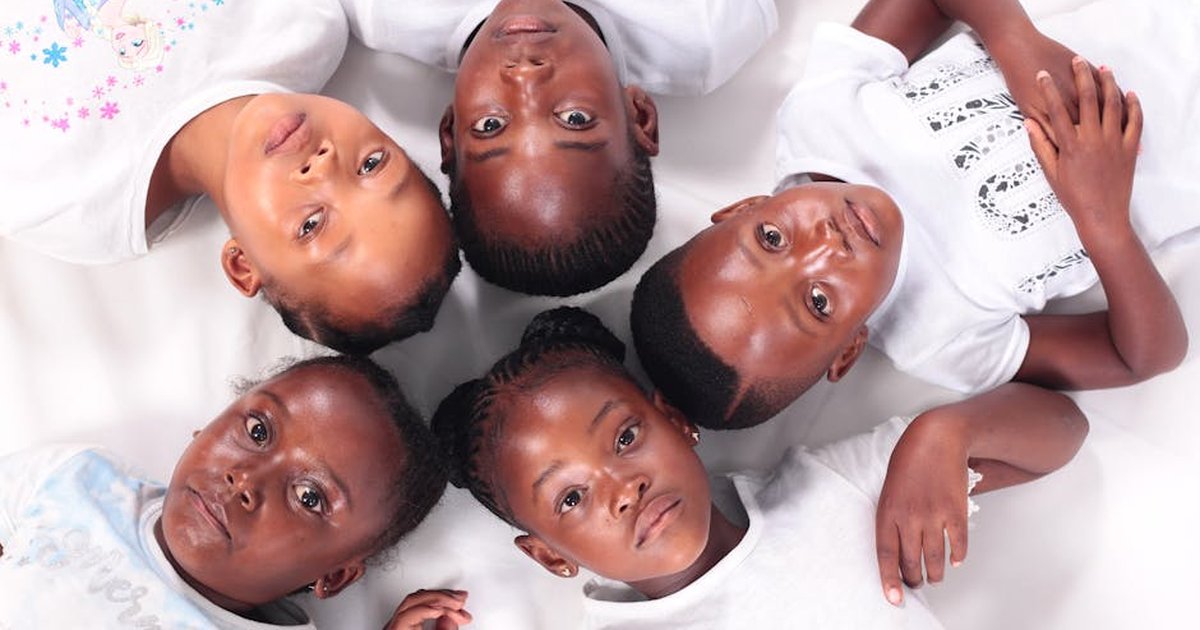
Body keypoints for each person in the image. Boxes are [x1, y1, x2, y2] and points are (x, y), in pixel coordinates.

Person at [630, 0, 1199, 429]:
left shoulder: (818, 121)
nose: (827, 245)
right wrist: (1104, 224)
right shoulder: (940, 340)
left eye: (773, 238)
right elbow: (1141, 356)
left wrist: (1013, 38)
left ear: (743, 208)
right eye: (819, 302)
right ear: (850, 346)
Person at [431, 307, 1088, 626]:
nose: (622, 488)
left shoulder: (830, 492)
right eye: (570, 500)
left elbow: (1061, 432)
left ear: (676, 421)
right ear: (549, 557)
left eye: (626, 437)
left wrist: (946, 432)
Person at [1, 0, 459, 355]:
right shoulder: (301, 24)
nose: (322, 165)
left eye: (312, 225)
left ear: (243, 265)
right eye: (371, 165)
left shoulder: (76, 204)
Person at [340, 0, 777, 296]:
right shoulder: (705, 30)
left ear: (451, 131)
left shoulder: (387, 10)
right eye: (575, 119)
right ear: (641, 115)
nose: (526, 79)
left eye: (491, 125)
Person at [0, 355, 469, 629]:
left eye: (309, 497)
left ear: (335, 577)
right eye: (258, 431)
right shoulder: (79, 480)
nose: (244, 480)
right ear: (206, 426)